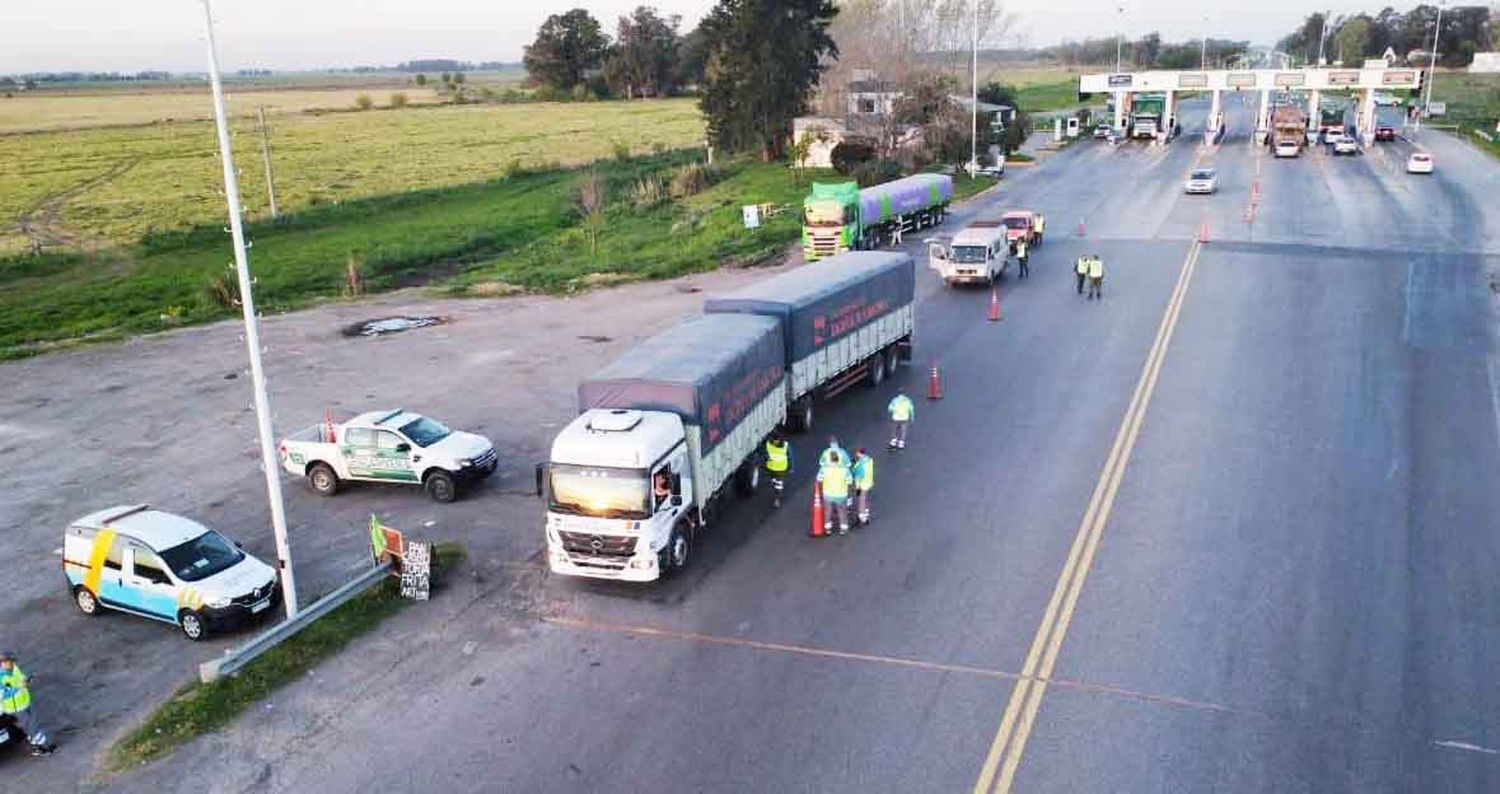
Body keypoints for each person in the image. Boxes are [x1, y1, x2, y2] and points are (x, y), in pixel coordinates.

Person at [1, 652, 53, 757]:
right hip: (15, 708)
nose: (12, 663)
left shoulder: (14, 668)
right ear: (2, 663)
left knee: (32, 724)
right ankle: (43, 747)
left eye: (12, 661)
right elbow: (3, 695)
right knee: (32, 727)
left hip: (25, 702)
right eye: (8, 662)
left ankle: (37, 746)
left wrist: (26, 680)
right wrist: (19, 687)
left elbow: (20, 676)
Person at [817, 451, 853, 535]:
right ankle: (843, 529)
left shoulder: (824, 469)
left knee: (828, 511)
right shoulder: (845, 470)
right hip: (841, 494)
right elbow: (850, 482)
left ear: (829, 459)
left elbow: (819, 480)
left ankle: (828, 529)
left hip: (828, 494)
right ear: (839, 459)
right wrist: (849, 494)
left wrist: (821, 490)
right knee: (842, 511)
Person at [764, 433, 791, 508]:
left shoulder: (785, 446)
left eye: (777, 440)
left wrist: (791, 467)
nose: (776, 442)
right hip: (771, 468)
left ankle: (777, 500)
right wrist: (766, 459)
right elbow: (765, 454)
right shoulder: (768, 444)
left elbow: (790, 456)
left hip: (781, 469)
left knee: (778, 485)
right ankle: (777, 493)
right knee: (774, 483)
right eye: (774, 440)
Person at [851, 448, 875, 526]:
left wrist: (857, 488)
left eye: (856, 453)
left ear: (859, 453)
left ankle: (862, 519)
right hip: (869, 483)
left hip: (863, 485)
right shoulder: (869, 460)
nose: (855, 454)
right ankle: (866, 514)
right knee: (866, 500)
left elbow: (858, 478)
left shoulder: (860, 465)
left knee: (861, 502)